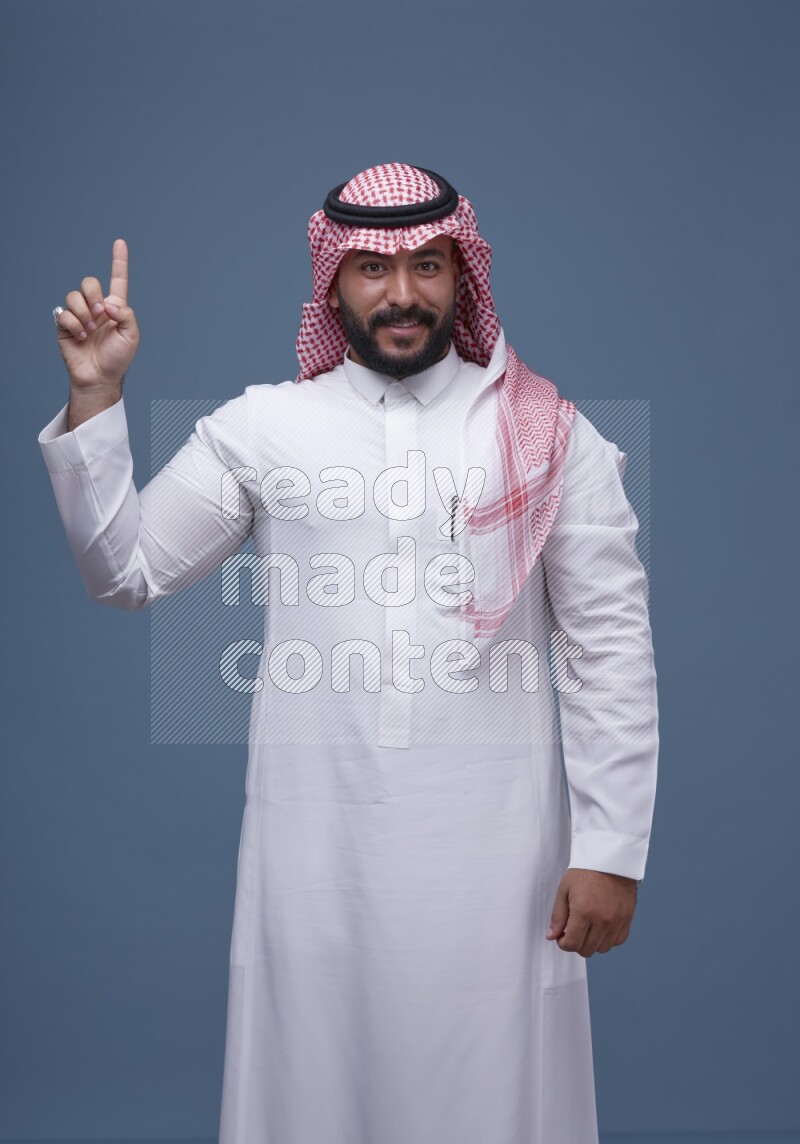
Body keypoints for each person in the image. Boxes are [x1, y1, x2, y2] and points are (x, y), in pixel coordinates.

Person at [38, 162, 658, 1144]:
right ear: (331, 282)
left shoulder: (550, 434)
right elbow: (126, 569)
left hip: (498, 856)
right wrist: (97, 399)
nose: (401, 293)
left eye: (425, 263)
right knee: (313, 1096)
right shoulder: (262, 427)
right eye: (371, 268)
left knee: (492, 1101)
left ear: (463, 271)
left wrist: (611, 849)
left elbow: (609, 651)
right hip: (314, 854)